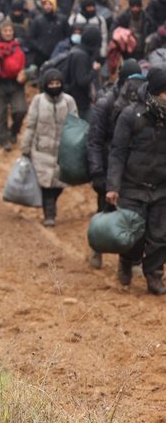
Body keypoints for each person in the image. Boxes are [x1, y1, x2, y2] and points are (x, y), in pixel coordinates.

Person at [105, 67, 166, 294]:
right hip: (133, 185)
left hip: (161, 187)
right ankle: (126, 261)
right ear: (155, 92)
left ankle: (155, 276)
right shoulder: (131, 115)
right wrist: (113, 186)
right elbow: (118, 152)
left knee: (160, 236)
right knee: (135, 236)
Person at [86, 59, 144, 269]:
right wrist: (97, 173)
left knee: (131, 215)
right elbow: (94, 140)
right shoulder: (106, 103)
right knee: (105, 210)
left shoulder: (141, 103)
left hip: (131, 169)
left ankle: (127, 261)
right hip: (107, 166)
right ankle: (97, 247)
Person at [20, 68, 78, 227]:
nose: (54, 86)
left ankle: (51, 203)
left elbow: (75, 125)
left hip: (62, 151)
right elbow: (31, 125)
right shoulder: (38, 101)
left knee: (59, 185)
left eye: (57, 83)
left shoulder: (68, 101)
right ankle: (49, 214)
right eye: (51, 83)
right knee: (45, 185)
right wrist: (25, 147)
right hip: (41, 150)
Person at [0, 23, 28, 151]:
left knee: (21, 109)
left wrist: (25, 72)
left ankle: (14, 131)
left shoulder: (18, 47)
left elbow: (27, 61)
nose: (8, 33)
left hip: (16, 83)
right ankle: (4, 140)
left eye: (10, 30)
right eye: (5, 30)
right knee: (0, 114)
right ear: (1, 32)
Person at [63, 25, 103, 118]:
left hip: (75, 98)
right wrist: (94, 70)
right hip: (79, 101)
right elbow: (82, 80)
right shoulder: (81, 56)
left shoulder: (77, 50)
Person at [27, 0, 69, 69]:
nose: (47, 7)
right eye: (45, 4)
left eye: (50, 4)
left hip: (58, 54)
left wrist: (62, 46)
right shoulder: (37, 20)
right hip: (41, 55)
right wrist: (40, 47)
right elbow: (31, 37)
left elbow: (68, 35)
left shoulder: (62, 20)